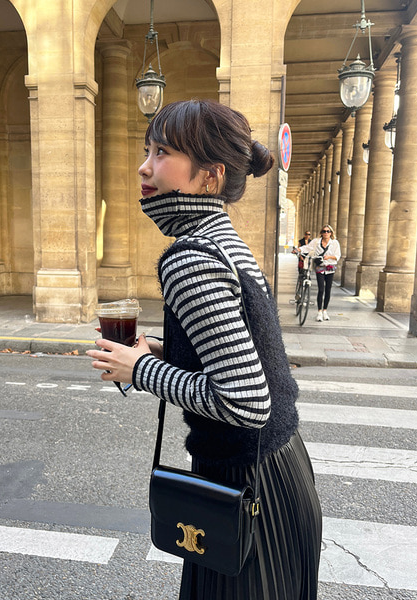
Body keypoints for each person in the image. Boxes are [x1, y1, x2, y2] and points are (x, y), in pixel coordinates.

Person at [87, 99, 322, 599]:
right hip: (282, 470)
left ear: (210, 177)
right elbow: (246, 353)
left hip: (242, 483)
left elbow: (244, 402)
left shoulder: (190, 257)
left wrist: (141, 369)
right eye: (148, 150)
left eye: (162, 152)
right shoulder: (224, 240)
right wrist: (164, 351)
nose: (144, 167)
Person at [299, 224, 341, 322]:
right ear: (321, 233)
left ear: (331, 233)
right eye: (324, 231)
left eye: (328, 231)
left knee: (328, 290)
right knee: (321, 289)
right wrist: (298, 249)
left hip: (330, 268)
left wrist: (329, 257)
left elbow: (337, 256)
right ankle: (319, 312)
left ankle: (325, 310)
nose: (326, 233)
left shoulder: (335, 243)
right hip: (320, 267)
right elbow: (307, 248)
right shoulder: (316, 242)